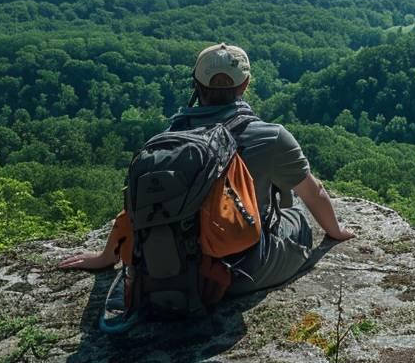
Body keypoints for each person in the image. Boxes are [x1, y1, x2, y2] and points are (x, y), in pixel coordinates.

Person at [60, 42, 353, 295]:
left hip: (173, 271)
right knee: (299, 215)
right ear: (246, 85)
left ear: (197, 86)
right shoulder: (270, 136)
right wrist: (335, 231)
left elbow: (137, 208)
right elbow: (313, 192)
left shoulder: (167, 140)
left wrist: (106, 256)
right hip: (240, 273)